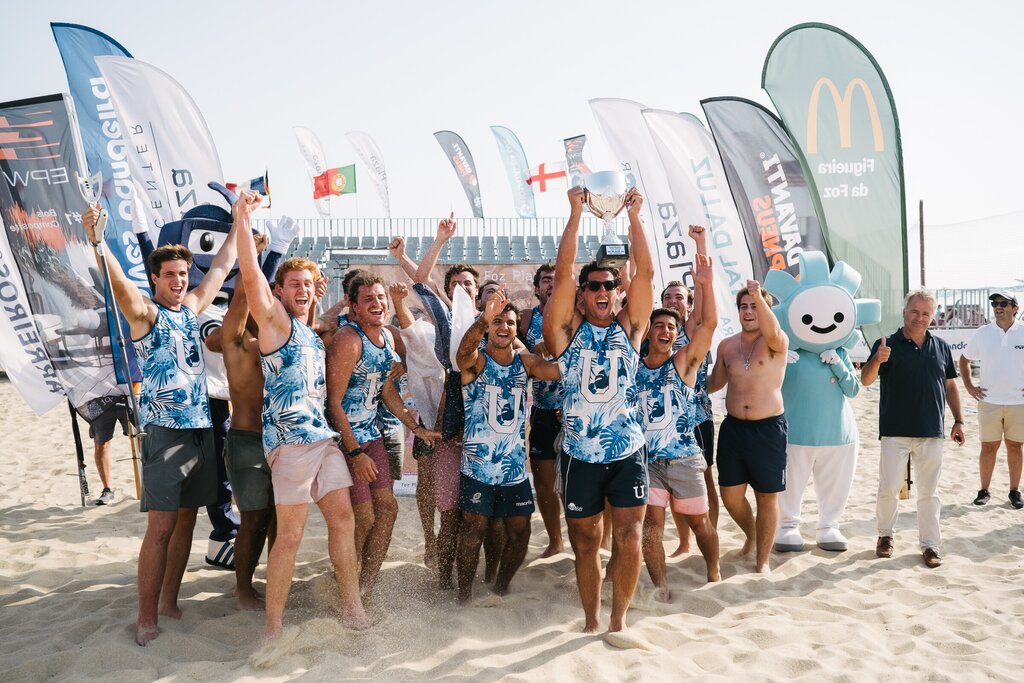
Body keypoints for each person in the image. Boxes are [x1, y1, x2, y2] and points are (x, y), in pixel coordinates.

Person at [83, 190, 254, 646]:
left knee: (187, 521)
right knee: (160, 528)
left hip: (201, 431)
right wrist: (99, 244)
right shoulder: (147, 315)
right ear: (155, 279)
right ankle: (145, 617)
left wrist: (242, 217)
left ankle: (169, 602)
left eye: (182, 274)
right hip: (164, 434)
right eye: (171, 275)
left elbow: (220, 265)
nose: (179, 281)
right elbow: (121, 291)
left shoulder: (193, 307)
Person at [235, 216, 370, 641]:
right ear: (278, 291)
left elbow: (321, 317)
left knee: (343, 520)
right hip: (290, 446)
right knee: (290, 537)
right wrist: (242, 219)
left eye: (307, 285)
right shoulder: (275, 325)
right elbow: (251, 275)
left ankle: (352, 608)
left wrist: (323, 302)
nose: (301, 290)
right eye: (293, 284)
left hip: (322, 439)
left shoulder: (311, 335)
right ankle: (272, 627)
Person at [542, 185, 654, 634]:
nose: (604, 289)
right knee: (585, 542)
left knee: (629, 539)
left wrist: (634, 217)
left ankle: (618, 621)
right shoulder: (565, 334)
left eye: (610, 284)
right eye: (595, 286)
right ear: (583, 297)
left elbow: (644, 273)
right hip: (579, 454)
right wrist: (574, 213)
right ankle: (590, 620)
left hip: (627, 451)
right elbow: (564, 272)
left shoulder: (631, 328)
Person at [327, 271, 438, 599]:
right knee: (363, 517)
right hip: (347, 441)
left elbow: (387, 388)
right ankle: (348, 585)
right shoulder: (349, 339)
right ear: (353, 306)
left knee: (387, 511)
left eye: (380, 297)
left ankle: (367, 584)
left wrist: (415, 426)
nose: (377, 303)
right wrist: (354, 453)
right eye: (368, 299)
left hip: (371, 435)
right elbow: (334, 404)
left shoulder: (387, 337)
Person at [455, 291, 560, 603]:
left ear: (517, 330)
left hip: (513, 469)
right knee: (473, 533)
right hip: (477, 466)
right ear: (488, 327)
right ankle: (463, 596)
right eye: (497, 321)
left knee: (521, 532)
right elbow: (462, 353)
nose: (503, 327)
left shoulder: (525, 364)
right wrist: (484, 318)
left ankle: (500, 587)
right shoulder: (475, 362)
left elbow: (558, 370)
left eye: (510, 323)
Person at [861, 289, 965, 568]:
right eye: (914, 311)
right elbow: (866, 380)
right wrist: (877, 360)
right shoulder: (887, 343)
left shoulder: (941, 346)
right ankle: (885, 536)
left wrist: (958, 420)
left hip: (932, 431)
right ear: (904, 311)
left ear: (933, 316)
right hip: (894, 431)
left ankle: (930, 546)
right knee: (889, 488)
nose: (920, 317)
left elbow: (950, 385)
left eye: (926, 313)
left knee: (929, 493)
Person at [202, 232, 278, 610]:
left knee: (278, 519)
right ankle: (244, 589)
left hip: (282, 441)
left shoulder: (277, 340)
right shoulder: (235, 341)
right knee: (253, 521)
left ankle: (275, 583)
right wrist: (253, 252)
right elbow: (239, 304)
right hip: (247, 439)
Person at [638, 254, 720, 602]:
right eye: (659, 325)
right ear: (649, 330)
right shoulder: (631, 364)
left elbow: (710, 325)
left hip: (684, 459)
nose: (666, 331)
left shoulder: (684, 363)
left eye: (672, 327)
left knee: (701, 524)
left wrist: (705, 283)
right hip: (647, 461)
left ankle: (713, 568)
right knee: (651, 528)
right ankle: (660, 586)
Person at [706, 281, 788, 574]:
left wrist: (757, 294)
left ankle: (762, 560)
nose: (749, 311)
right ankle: (752, 535)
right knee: (730, 495)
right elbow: (715, 383)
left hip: (768, 430)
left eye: (755, 306)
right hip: (733, 430)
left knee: (767, 496)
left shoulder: (777, 342)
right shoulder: (727, 345)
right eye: (744, 306)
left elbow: (775, 331)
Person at [959, 291, 1024, 508]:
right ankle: (984, 491)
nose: (997, 306)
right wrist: (969, 386)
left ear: (1015, 307)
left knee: (1015, 447)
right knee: (988, 447)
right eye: (995, 303)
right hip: (989, 402)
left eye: (1003, 303)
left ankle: (1014, 492)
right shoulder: (983, 333)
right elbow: (964, 359)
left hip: (1019, 403)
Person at [518, 262, 565, 557]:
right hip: (544, 410)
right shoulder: (525, 319)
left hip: (577, 409)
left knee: (588, 478)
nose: (552, 284)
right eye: (546, 280)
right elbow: (516, 356)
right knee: (545, 483)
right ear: (536, 288)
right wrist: (530, 351)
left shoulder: (576, 317)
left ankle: (602, 541)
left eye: (557, 280)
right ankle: (555, 541)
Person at [86, 397, 130, 505]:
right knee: (101, 445)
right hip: (99, 400)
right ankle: (107, 490)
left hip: (128, 396)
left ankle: (148, 486)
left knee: (142, 440)